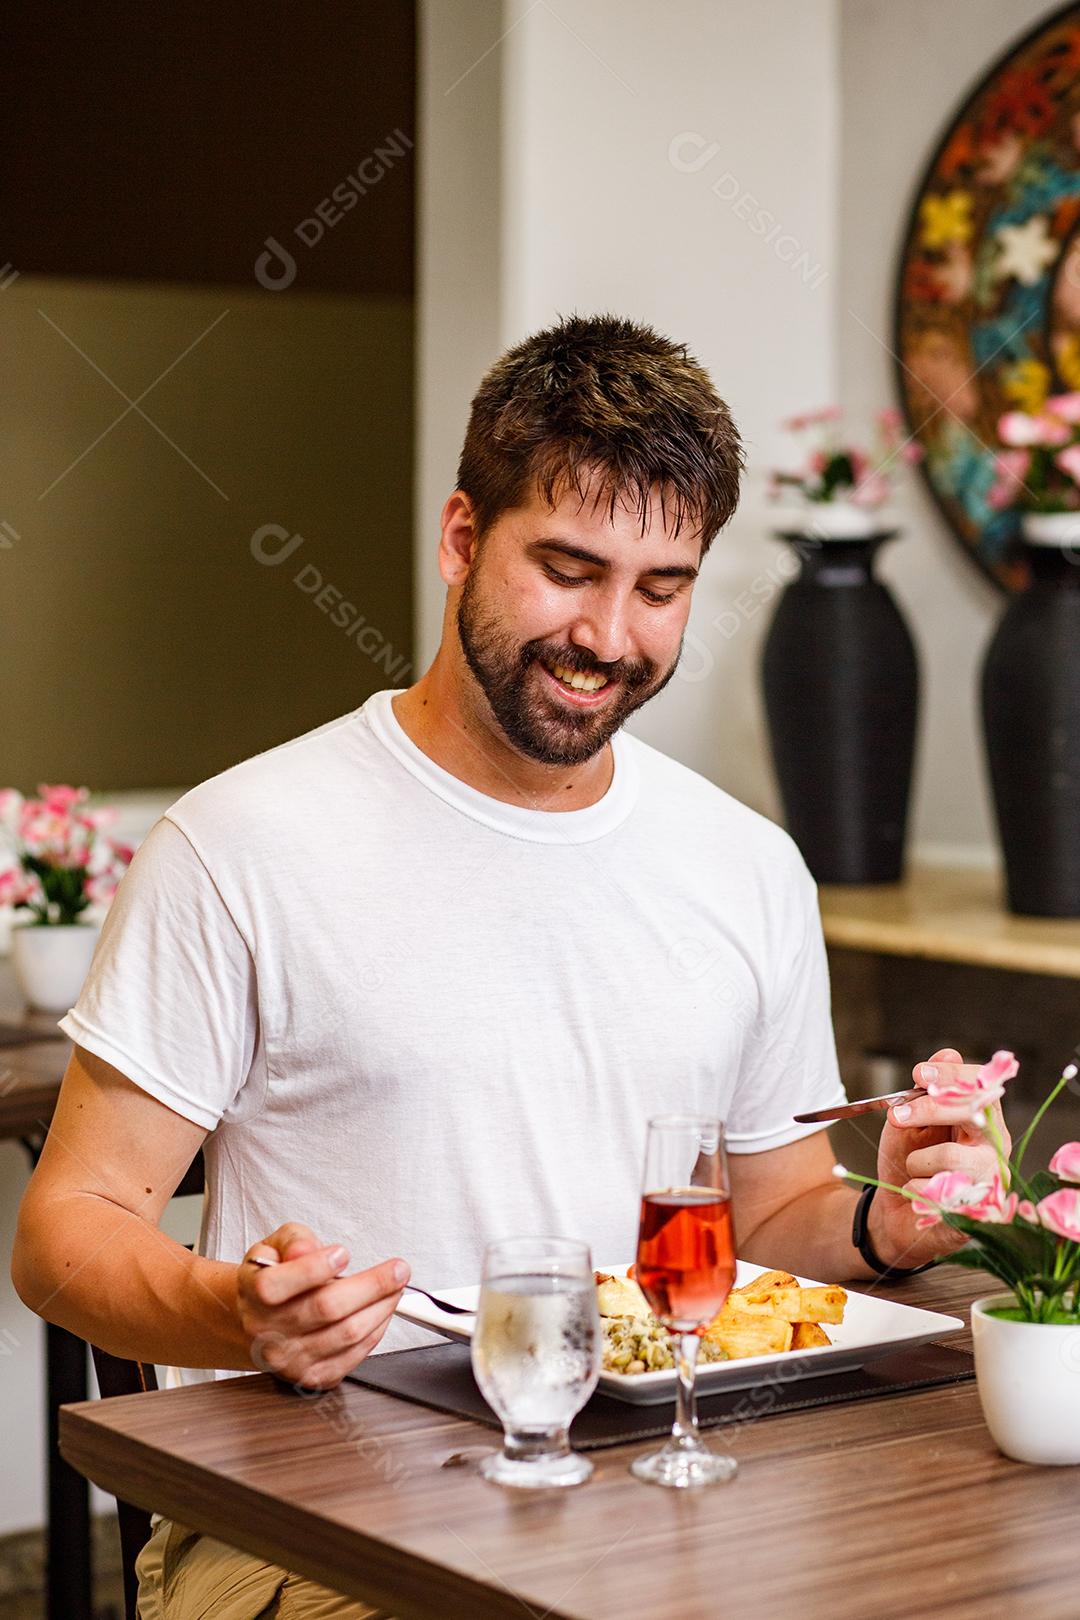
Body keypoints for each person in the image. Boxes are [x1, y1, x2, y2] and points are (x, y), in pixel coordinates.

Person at [12, 315, 1007, 1619]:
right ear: (462, 539)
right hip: (324, 1525)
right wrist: (233, 1310)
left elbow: (766, 1225)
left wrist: (889, 1220)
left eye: (661, 588)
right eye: (568, 567)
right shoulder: (242, 844)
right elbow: (65, 1232)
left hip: (663, 1503)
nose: (609, 633)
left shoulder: (746, 866)